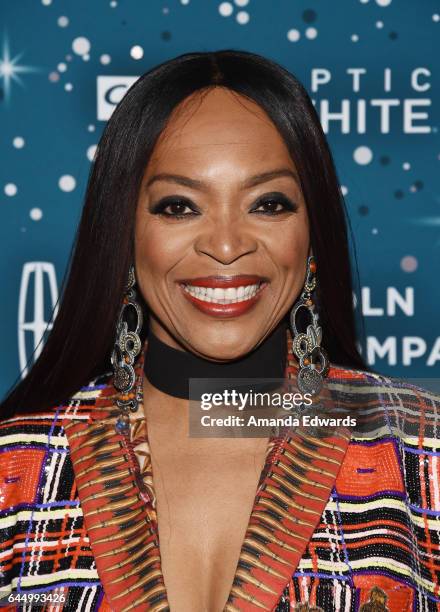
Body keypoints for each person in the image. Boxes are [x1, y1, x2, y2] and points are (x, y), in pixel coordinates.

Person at [0, 50, 439, 612]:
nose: (227, 245)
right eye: (179, 206)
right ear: (124, 235)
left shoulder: (420, 449)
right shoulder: (18, 463)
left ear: (311, 236)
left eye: (269, 203)